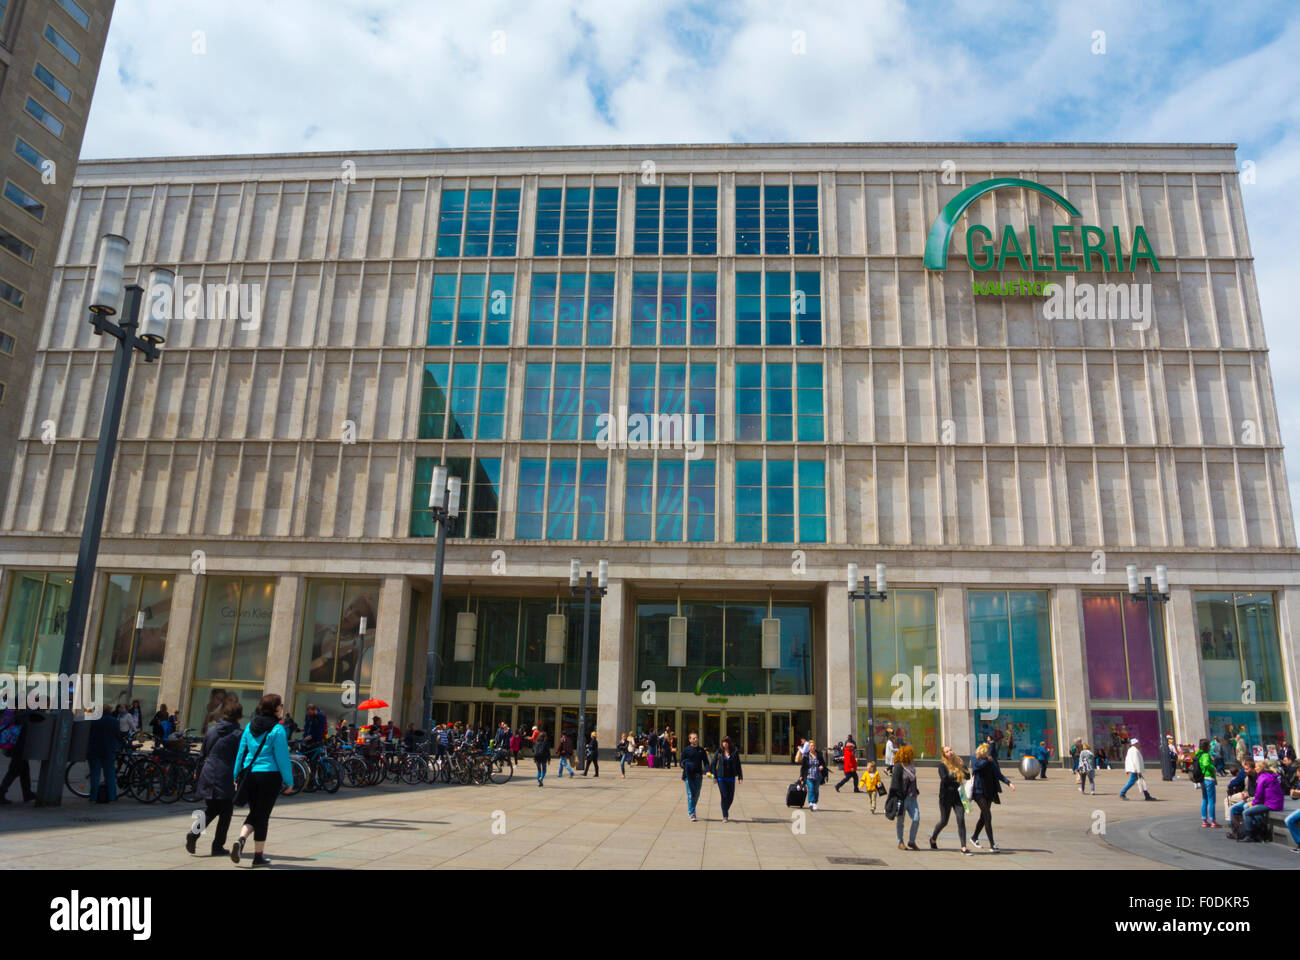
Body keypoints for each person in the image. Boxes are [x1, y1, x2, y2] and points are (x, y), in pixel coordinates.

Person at [230, 693, 293, 868]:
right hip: (270, 776)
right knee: (263, 815)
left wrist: (236, 775)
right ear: (275, 708)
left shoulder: (249, 727)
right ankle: (258, 856)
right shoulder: (277, 729)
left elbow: (241, 753)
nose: (282, 708)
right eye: (280, 705)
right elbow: (282, 757)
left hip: (250, 775)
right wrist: (289, 781)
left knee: (256, 812)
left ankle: (241, 839)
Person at [187, 695, 243, 856]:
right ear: (238, 716)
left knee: (212, 809)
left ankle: (195, 834)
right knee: (226, 812)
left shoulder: (212, 730)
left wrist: (198, 772)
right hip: (226, 774)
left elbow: (202, 753)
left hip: (209, 771)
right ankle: (217, 845)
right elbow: (242, 756)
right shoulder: (239, 734)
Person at [970, 742, 1015, 851]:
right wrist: (986, 760)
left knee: (983, 817)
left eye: (986, 754)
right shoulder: (975, 759)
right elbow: (977, 767)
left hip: (989, 792)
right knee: (988, 816)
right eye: (984, 754)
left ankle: (974, 837)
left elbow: (998, 774)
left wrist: (1009, 783)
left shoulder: (991, 762)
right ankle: (992, 844)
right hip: (978, 792)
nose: (986, 756)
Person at [930, 745, 971, 855]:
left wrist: (963, 766)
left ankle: (964, 847)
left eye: (951, 750)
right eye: (947, 751)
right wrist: (956, 776)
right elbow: (944, 779)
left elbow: (968, 777)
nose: (950, 752)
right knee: (944, 821)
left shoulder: (958, 764)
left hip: (958, 796)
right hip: (946, 797)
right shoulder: (942, 766)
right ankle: (933, 838)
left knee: (961, 820)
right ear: (944, 755)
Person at [0, 707, 42, 803]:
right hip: (19, 749)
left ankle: (27, 793)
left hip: (17, 748)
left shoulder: (22, 713)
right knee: (13, 771)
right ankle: (1, 793)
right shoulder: (29, 715)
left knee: (24, 770)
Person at [1234, 760, 1283, 842]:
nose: (1255, 768)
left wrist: (1252, 804)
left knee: (1246, 812)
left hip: (1271, 804)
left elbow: (1259, 795)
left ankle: (1250, 835)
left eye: (1256, 767)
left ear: (1261, 768)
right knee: (1247, 807)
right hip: (1274, 802)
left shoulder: (1262, 777)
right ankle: (1258, 827)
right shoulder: (1269, 775)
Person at [888, 744, 921, 850]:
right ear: (906, 754)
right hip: (901, 798)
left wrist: (916, 790)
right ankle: (900, 842)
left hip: (912, 797)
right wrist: (897, 796)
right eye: (911, 753)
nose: (912, 754)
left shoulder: (911, 765)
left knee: (916, 818)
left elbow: (913, 780)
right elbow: (894, 783)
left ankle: (911, 841)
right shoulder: (898, 766)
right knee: (900, 821)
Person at [86, 705, 121, 803]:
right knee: (110, 775)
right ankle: (112, 797)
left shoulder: (93, 720)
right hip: (109, 750)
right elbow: (118, 735)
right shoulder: (114, 721)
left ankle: (93, 797)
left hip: (94, 750)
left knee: (95, 775)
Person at [710, 735, 743, 822]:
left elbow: (738, 765)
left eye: (726, 742)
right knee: (724, 796)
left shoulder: (734, 752)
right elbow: (713, 764)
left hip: (731, 777)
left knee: (730, 797)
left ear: (729, 743)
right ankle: (725, 815)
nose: (724, 744)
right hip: (721, 777)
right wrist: (714, 776)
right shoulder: (719, 752)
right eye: (723, 742)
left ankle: (725, 809)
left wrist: (740, 776)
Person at [680, 731, 709, 821]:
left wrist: (708, 771)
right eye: (694, 738)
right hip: (689, 776)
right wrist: (686, 764)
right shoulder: (686, 750)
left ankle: (691, 809)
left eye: (696, 738)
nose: (696, 739)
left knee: (696, 794)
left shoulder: (701, 750)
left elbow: (706, 762)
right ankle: (692, 812)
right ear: (690, 740)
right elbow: (681, 763)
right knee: (691, 794)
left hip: (698, 776)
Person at [1192, 738, 1220, 829]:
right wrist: (1213, 768)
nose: (1210, 747)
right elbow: (1206, 764)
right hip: (1209, 778)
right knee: (1211, 800)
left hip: (1203, 779)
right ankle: (1213, 821)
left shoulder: (1199, 755)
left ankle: (1204, 820)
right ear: (1206, 747)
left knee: (1205, 799)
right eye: (1209, 745)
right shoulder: (1205, 755)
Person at [800, 739, 827, 811]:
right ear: (809, 747)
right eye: (811, 746)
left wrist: (822, 766)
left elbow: (823, 763)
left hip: (817, 775)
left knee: (816, 790)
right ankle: (811, 802)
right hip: (809, 775)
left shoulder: (819, 754)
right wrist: (801, 776)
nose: (813, 747)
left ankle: (815, 803)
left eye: (814, 746)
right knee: (811, 788)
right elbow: (803, 767)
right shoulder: (806, 755)